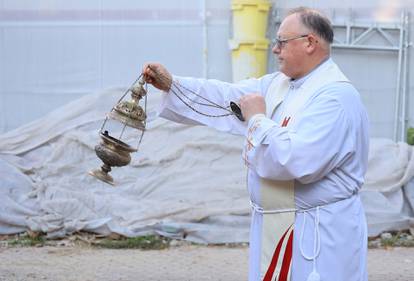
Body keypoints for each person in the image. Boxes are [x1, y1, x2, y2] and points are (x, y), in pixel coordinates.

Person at [142, 7, 369, 281]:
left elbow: (296, 160)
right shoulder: (280, 84)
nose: (275, 49)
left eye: (282, 42)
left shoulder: (335, 96)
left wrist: (258, 119)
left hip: (320, 231)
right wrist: (173, 85)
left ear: (310, 43)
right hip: (279, 222)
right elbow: (227, 96)